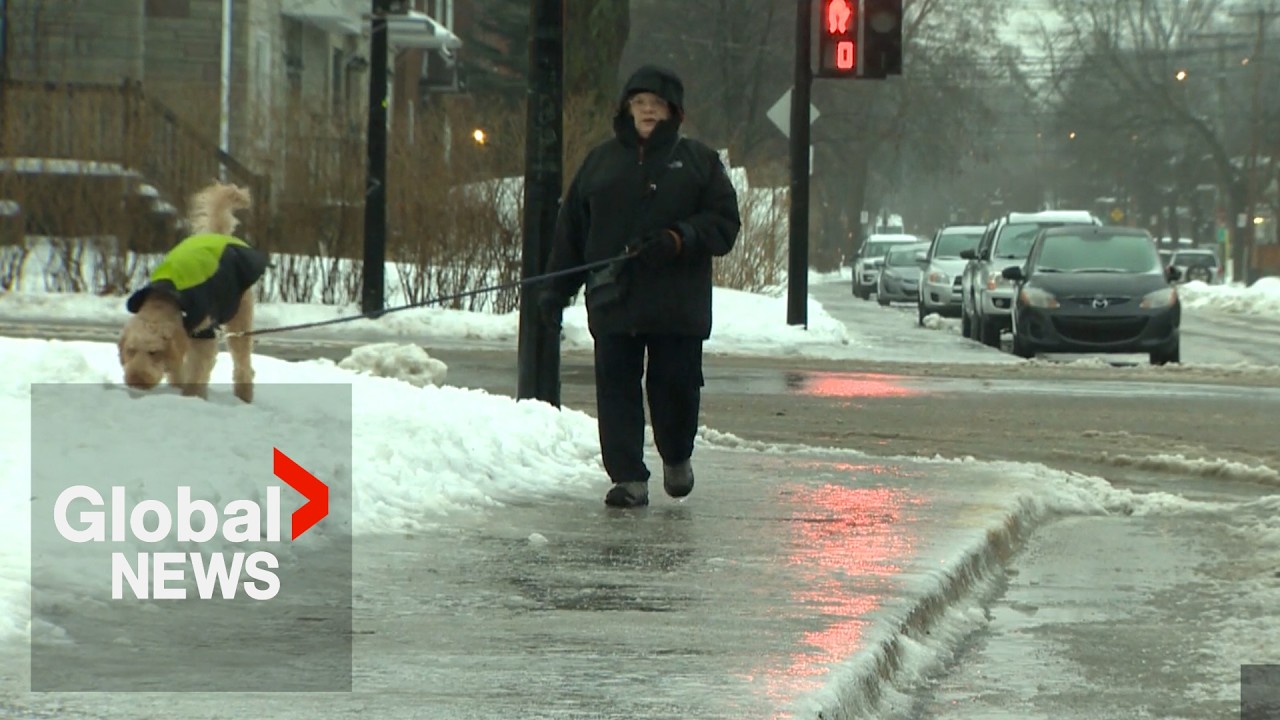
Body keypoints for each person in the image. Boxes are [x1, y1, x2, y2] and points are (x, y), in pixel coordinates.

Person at [537, 65, 742, 508]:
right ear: (626, 109)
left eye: (657, 104)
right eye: (639, 102)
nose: (648, 110)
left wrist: (678, 238)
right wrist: (557, 289)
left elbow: (725, 225)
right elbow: (572, 231)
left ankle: (676, 455)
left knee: (675, 388)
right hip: (614, 302)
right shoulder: (600, 163)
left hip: (677, 307)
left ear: (673, 112)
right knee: (616, 391)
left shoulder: (699, 162)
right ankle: (628, 476)